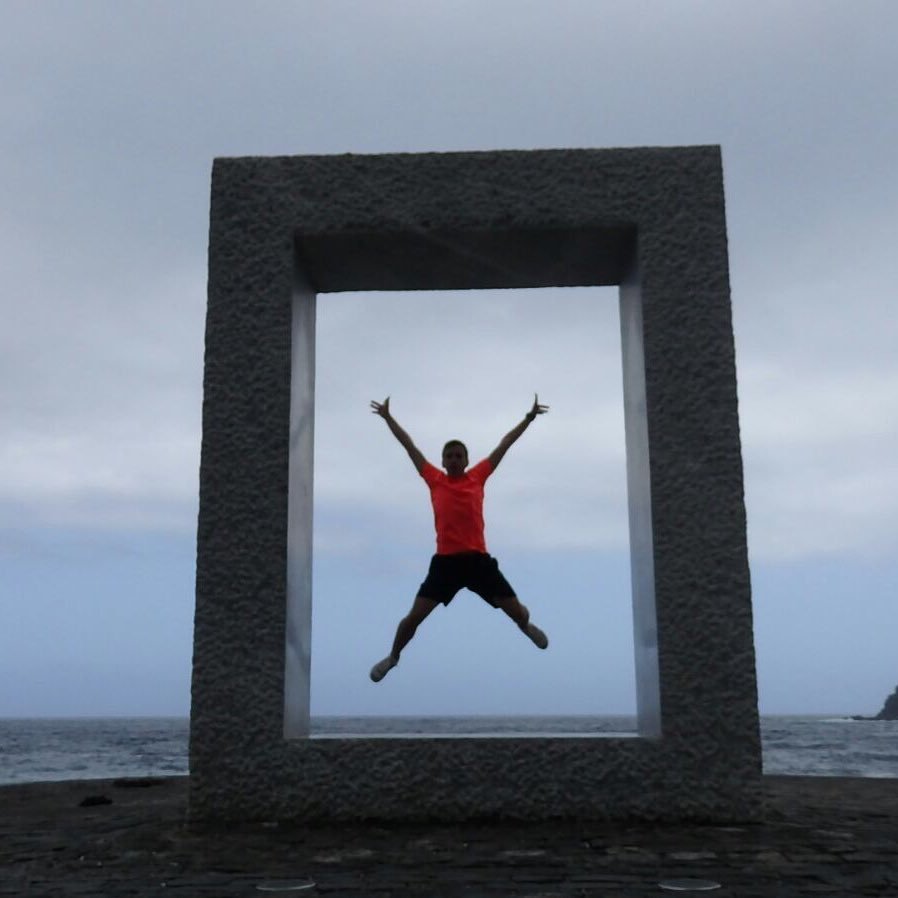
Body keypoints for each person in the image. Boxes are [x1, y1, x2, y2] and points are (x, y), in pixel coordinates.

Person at [368, 394, 550, 683]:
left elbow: (505, 445)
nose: (453, 460)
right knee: (413, 618)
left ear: (466, 460)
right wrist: (389, 418)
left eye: (459, 456)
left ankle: (525, 627)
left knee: (519, 613)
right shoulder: (433, 479)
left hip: (478, 561)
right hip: (445, 564)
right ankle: (393, 657)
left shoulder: (478, 476)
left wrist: (528, 419)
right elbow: (409, 446)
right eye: (449, 456)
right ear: (442, 460)